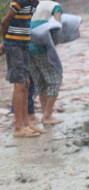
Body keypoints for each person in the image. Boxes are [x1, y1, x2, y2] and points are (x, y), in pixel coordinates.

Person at [1, 0, 41, 137]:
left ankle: (26, 123)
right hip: (14, 44)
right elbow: (5, 21)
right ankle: (19, 127)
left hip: (24, 44)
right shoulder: (20, 1)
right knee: (19, 84)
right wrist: (5, 42)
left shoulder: (35, 3)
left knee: (26, 83)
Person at [29, 0, 63, 125]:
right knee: (55, 80)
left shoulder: (32, 5)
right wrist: (55, 43)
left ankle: (45, 114)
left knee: (41, 82)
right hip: (41, 47)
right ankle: (47, 116)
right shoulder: (54, 6)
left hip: (27, 46)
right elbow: (58, 27)